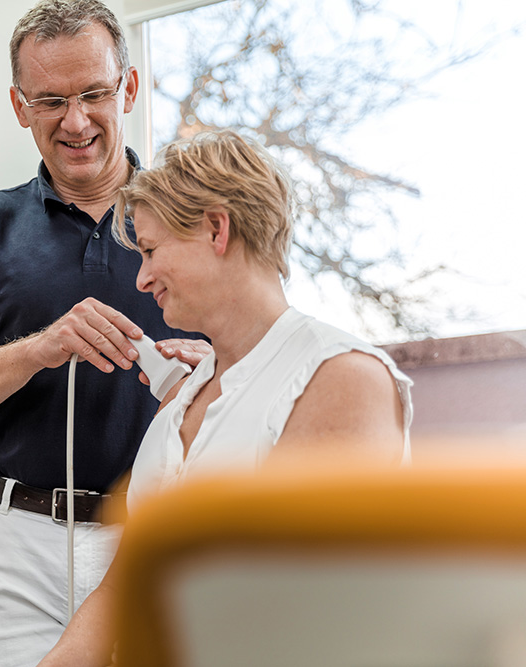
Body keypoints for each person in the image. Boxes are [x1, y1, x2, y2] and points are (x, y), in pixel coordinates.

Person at [0, 1, 209, 666]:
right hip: (11, 544)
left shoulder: (189, 221)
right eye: (50, 101)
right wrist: (40, 348)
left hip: (157, 541)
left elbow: (260, 376)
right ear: (20, 106)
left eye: (94, 93)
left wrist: (215, 365)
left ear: (127, 88)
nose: (75, 121)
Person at [37, 129, 413, 666]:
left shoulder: (338, 378)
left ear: (216, 228)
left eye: (149, 250)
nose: (141, 279)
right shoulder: (181, 403)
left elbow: (316, 614)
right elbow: (122, 591)